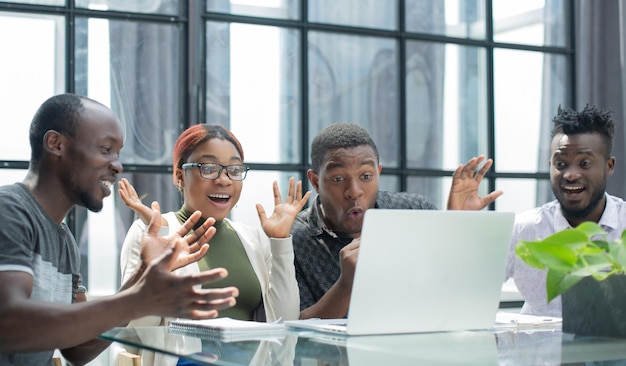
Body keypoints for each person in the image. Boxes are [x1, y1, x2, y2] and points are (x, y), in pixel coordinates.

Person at [0, 94, 239, 366]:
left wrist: (143, 275)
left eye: (118, 153)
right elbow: (8, 322)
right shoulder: (9, 210)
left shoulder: (64, 241)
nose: (118, 165)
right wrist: (139, 300)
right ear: (56, 144)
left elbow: (77, 349)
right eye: (105, 149)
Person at [292, 122, 503, 319]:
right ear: (315, 181)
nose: (354, 192)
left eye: (366, 177)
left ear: (378, 173)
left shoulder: (415, 212)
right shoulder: (294, 240)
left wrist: (456, 226)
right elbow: (295, 329)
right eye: (338, 179)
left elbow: (457, 297)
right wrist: (346, 285)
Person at [118, 124, 309, 329]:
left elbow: (285, 320)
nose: (224, 180)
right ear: (179, 175)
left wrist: (280, 242)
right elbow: (137, 331)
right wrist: (159, 251)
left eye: (234, 170)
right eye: (209, 168)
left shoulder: (253, 239)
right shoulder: (148, 232)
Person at [505, 105, 626, 317]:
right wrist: (461, 220)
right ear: (550, 165)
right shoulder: (523, 229)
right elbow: (467, 288)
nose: (570, 174)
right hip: (537, 347)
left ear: (609, 166)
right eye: (561, 164)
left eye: (585, 163)